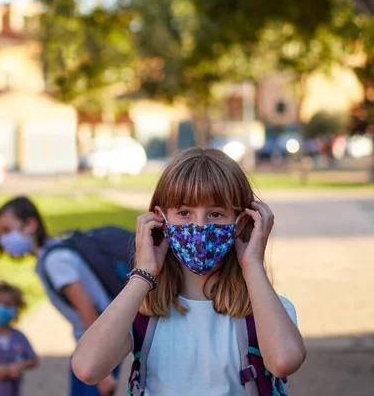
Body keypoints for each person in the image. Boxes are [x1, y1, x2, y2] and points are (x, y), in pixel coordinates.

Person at [71, 148, 307, 395]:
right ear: (161, 219)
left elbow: (284, 361)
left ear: (242, 221)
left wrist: (253, 266)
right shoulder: (141, 310)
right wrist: (143, 274)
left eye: (216, 213)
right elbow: (88, 368)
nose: (200, 226)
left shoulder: (267, 309)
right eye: (184, 213)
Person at [0, 197, 120, 396]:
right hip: (91, 349)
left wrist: (102, 374)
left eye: (7, 230)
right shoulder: (53, 252)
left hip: (96, 352)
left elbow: (88, 310)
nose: (3, 240)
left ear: (30, 224)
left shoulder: (54, 261)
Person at [0, 281, 38, 396]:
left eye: (7, 304)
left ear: (18, 308)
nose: (1, 308)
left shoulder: (19, 336)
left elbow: (33, 359)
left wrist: (19, 366)